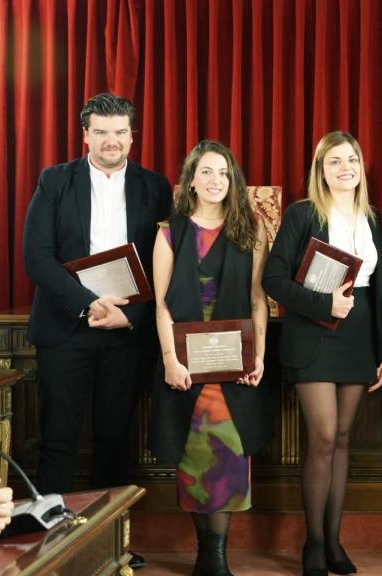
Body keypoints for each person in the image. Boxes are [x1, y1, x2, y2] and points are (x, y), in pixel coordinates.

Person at [22, 93, 171, 569]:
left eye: (120, 132)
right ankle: (52, 549)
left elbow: (168, 263)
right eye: (102, 132)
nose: (112, 141)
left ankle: (110, 545)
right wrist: (87, 303)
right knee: (58, 440)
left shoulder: (155, 187)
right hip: (67, 326)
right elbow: (36, 255)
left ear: (132, 135)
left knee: (115, 440)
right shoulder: (55, 180)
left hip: (127, 331)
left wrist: (134, 317)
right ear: (85, 134)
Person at [262, 132, 382, 576]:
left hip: (358, 337)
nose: (344, 168)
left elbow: (377, 291)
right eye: (334, 161)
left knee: (342, 439)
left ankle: (334, 541)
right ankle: (313, 544)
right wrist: (323, 305)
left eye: (351, 159)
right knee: (323, 437)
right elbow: (273, 279)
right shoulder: (302, 214)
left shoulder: (372, 217)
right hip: (313, 333)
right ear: (321, 170)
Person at [151, 140, 271, 576]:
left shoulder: (252, 228)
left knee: (229, 457)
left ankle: (216, 556)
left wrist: (259, 354)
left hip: (232, 365)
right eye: (206, 171)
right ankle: (207, 556)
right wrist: (170, 360)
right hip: (185, 365)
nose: (215, 180)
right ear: (191, 180)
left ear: (233, 180)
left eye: (223, 172)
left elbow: (257, 298)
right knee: (194, 457)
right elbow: (161, 304)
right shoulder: (170, 231)